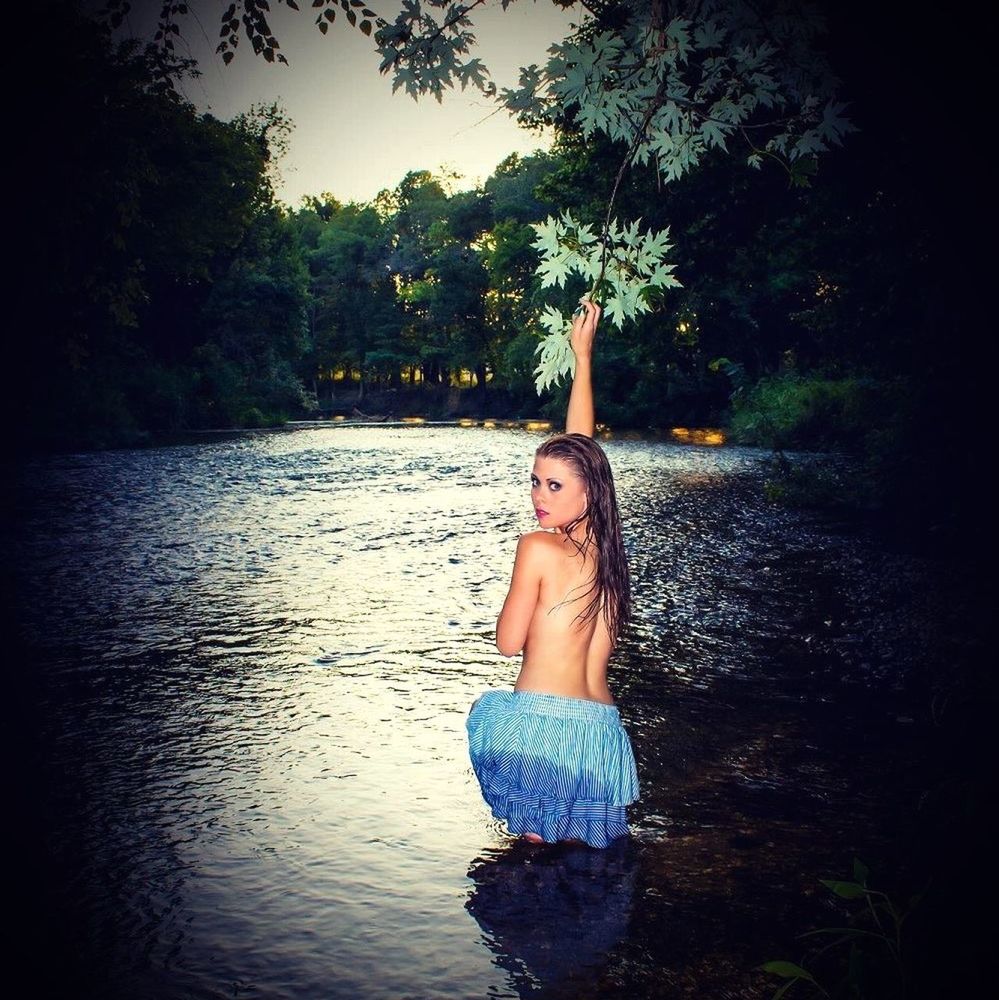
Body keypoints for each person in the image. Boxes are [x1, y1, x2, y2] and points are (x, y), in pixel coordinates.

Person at [467, 299, 639, 849]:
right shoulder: (610, 553)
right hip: (602, 739)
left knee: (534, 874)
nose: (539, 496)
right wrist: (581, 358)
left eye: (553, 486)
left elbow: (507, 642)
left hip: (544, 730)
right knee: (587, 874)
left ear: (586, 491)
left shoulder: (537, 548)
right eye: (534, 482)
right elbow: (582, 453)